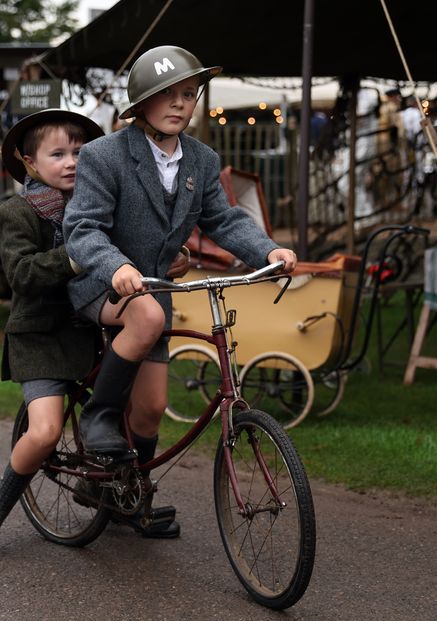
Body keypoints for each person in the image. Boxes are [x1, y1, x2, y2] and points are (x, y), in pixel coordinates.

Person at [62, 45, 297, 538]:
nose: (179, 104)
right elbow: (82, 228)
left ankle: (132, 496)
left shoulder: (202, 159)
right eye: (165, 95)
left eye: (188, 95)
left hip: (155, 288)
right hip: (103, 284)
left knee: (150, 408)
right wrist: (116, 265)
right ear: (141, 103)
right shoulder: (105, 155)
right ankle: (99, 417)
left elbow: (223, 219)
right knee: (145, 317)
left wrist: (268, 252)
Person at [0, 109, 190, 552]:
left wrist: (172, 257)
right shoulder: (16, 211)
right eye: (57, 154)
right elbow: (22, 275)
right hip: (43, 337)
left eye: (80, 152)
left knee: (137, 408)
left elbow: (135, 248)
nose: (71, 162)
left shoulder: (102, 202)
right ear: (29, 163)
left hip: (89, 331)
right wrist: (81, 253)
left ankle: (125, 495)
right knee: (45, 433)